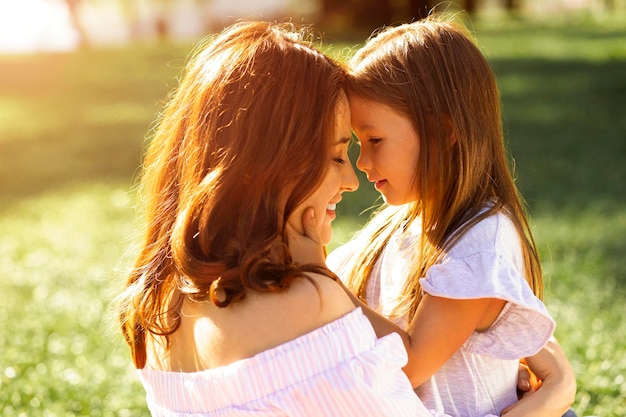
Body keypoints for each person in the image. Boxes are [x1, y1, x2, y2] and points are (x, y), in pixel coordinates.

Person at [116, 21, 438, 417]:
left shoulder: (159, 310)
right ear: (270, 163)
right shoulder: (308, 303)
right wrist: (539, 403)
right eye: (337, 155)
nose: (352, 179)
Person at [298, 16, 576, 417]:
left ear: (443, 131)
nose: (362, 161)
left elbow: (409, 365)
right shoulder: (398, 225)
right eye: (358, 143)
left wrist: (319, 276)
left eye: (375, 140)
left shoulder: (480, 241)